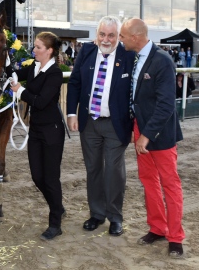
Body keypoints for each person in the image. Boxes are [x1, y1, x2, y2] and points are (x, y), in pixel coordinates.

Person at [119, 18, 185, 258]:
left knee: (170, 185)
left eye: (123, 36)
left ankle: (176, 238)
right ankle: (158, 228)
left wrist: (146, 136)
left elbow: (167, 104)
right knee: (149, 182)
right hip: (140, 130)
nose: (120, 40)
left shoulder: (163, 61)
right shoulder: (133, 56)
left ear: (135, 37)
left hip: (160, 135)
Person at [67, 16, 134, 237]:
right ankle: (97, 214)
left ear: (118, 37)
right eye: (102, 34)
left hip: (116, 125)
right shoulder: (86, 52)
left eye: (111, 35)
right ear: (97, 34)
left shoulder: (128, 56)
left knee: (114, 172)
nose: (106, 39)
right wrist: (71, 113)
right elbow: (75, 82)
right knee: (93, 169)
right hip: (90, 122)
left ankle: (115, 217)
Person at [9, 31, 65, 241]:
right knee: (36, 176)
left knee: (50, 178)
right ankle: (57, 206)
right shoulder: (33, 66)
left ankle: (55, 223)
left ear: (49, 51)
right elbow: (12, 72)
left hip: (52, 131)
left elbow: (40, 101)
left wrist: (20, 91)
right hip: (36, 130)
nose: (34, 50)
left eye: (38, 47)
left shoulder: (55, 74)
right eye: (35, 47)